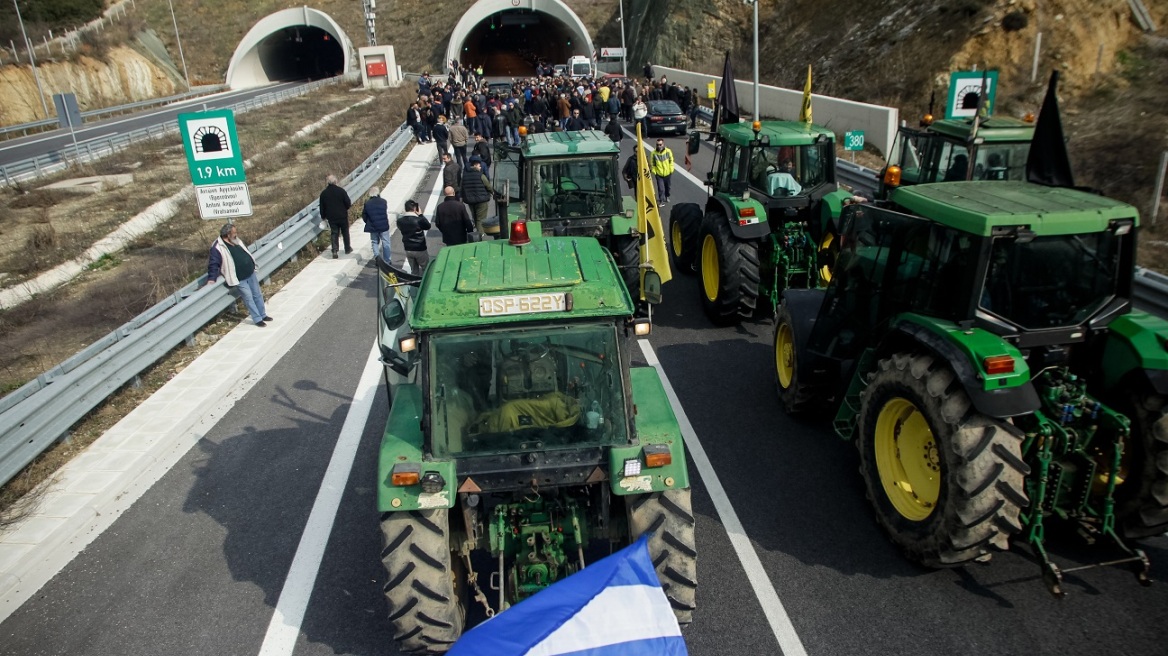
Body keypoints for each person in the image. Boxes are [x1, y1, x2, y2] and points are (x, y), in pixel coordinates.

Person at [205, 223, 271, 327]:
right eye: (234, 232)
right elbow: (213, 264)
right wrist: (212, 278)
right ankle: (257, 319)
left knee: (257, 294)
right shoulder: (217, 247)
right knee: (248, 297)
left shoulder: (236, 240)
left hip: (250, 272)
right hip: (239, 277)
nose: (236, 234)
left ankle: (263, 315)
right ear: (227, 234)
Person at [319, 174, 352, 258]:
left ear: (327, 183)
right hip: (342, 215)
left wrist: (323, 216)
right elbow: (348, 203)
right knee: (345, 232)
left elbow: (322, 207)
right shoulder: (341, 191)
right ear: (335, 181)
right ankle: (347, 248)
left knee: (334, 233)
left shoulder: (323, 194)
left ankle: (334, 250)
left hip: (331, 217)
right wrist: (345, 209)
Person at [462, 157, 496, 235]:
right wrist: (492, 192)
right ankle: (480, 234)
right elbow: (488, 186)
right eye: (479, 165)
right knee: (480, 218)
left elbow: (462, 187)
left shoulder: (465, 176)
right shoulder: (481, 175)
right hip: (481, 200)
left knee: (475, 216)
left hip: (470, 200)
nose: (480, 167)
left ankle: (477, 229)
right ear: (476, 165)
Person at [397, 199, 432, 273]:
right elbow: (428, 226)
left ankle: (414, 283)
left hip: (408, 248)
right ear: (414, 208)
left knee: (414, 270)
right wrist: (421, 215)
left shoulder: (400, 221)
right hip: (420, 248)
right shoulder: (419, 220)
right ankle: (424, 283)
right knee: (426, 269)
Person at [361, 186, 392, 263]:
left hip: (373, 226)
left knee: (374, 242)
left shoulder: (367, 203)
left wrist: (368, 222)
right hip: (383, 225)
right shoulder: (383, 201)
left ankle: (377, 257)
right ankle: (387, 260)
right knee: (386, 242)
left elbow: (364, 216)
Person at [650, 139, 675, 205]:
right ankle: (661, 200)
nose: (659, 146)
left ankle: (666, 196)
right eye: (657, 145)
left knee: (668, 187)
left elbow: (671, 161)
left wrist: (671, 169)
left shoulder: (668, 151)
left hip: (667, 173)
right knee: (661, 188)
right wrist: (654, 171)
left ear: (663, 144)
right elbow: (652, 163)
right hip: (659, 174)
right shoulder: (653, 153)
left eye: (660, 144)